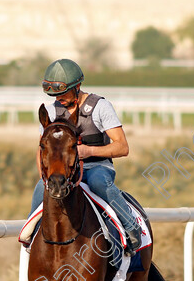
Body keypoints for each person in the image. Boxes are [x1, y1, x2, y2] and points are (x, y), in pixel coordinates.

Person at [30, 58, 142, 256]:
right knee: (41, 188)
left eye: (62, 93)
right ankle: (31, 234)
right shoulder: (49, 111)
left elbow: (122, 147)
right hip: (64, 171)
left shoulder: (100, 107)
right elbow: (42, 149)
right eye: (54, 94)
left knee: (99, 182)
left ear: (77, 87)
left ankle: (131, 226)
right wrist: (46, 176)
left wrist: (89, 151)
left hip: (97, 167)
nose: (58, 98)